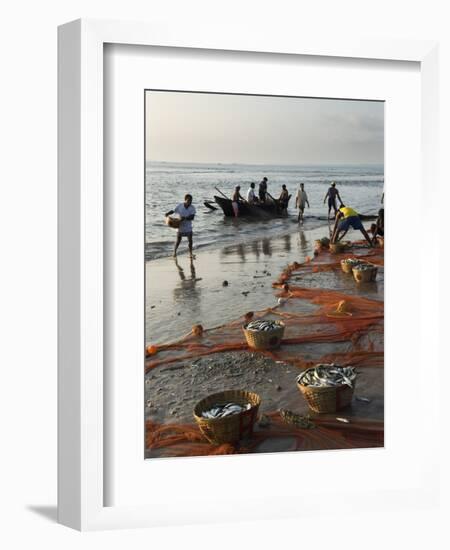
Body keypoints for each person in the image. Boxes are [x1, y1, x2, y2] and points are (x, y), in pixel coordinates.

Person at [165, 194, 196, 258]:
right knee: (178, 241)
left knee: (190, 241)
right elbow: (173, 211)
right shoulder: (180, 206)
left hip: (188, 227)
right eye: (189, 200)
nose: (190, 202)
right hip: (180, 226)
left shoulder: (192, 207)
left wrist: (185, 218)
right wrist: (167, 213)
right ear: (185, 200)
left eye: (191, 201)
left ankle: (190, 254)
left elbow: (192, 217)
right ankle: (174, 253)